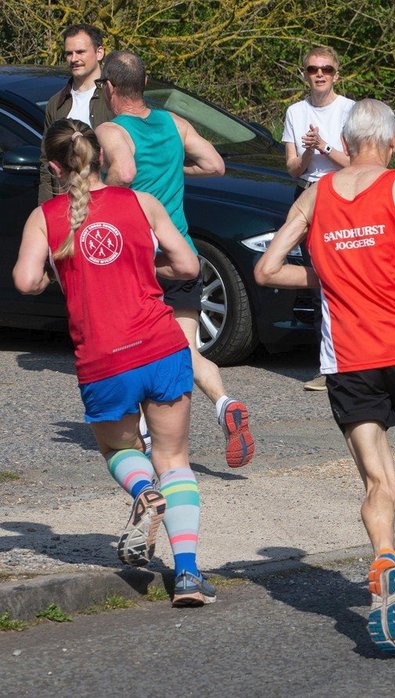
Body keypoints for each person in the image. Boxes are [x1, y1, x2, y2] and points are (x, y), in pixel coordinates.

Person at [254, 99, 395, 653]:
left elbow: (265, 269)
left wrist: (328, 278)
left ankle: (385, 557)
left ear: (349, 139)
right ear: (391, 141)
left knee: (379, 482)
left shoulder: (315, 195)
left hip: (348, 360)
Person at [13, 119, 217, 604]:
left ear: (55, 167)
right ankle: (187, 575)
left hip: (105, 357)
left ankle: (144, 492)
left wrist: (47, 279)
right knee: (176, 460)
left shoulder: (46, 216)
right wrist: (145, 267)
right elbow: (188, 266)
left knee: (118, 451)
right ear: (103, 158)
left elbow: (25, 282)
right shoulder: (142, 203)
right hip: (161, 346)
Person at [95, 51, 255, 469]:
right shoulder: (173, 123)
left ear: (110, 87)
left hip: (138, 261)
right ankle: (225, 403)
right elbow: (215, 164)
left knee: (131, 349)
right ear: (144, 84)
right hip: (182, 253)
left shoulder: (112, 130)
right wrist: (175, 171)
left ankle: (143, 439)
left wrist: (101, 196)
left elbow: (125, 173)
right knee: (183, 348)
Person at [281, 46, 356, 392]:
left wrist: (324, 146)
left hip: (342, 195)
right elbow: (293, 167)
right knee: (319, 281)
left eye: (326, 68)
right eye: (312, 69)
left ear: (336, 74)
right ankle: (327, 365)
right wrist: (309, 149)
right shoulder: (295, 112)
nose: (319, 74)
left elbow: (358, 164)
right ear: (305, 75)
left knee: (347, 277)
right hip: (309, 194)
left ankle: (353, 359)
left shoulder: (350, 110)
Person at [39, 24, 113, 204]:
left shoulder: (114, 97)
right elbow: (46, 161)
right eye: (69, 53)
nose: (74, 59)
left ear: (99, 52)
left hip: (105, 201)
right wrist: (46, 208)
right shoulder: (56, 104)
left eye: (80, 52)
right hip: (66, 204)